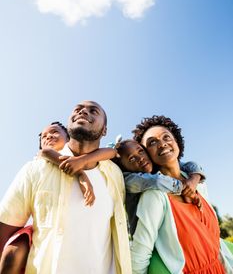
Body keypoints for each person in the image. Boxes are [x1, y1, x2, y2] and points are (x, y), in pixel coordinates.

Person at [0, 101, 131, 274]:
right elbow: (6, 230)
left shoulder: (115, 174)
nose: (83, 111)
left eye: (93, 110)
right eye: (77, 109)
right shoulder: (34, 169)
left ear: (104, 130)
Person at [130, 115, 233, 274]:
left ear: (177, 142)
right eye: (152, 142)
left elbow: (213, 242)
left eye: (166, 137)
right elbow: (139, 255)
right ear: (146, 154)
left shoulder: (199, 184)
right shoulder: (154, 195)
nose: (162, 143)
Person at [113, 139, 204, 237]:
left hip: (165, 232)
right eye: (131, 159)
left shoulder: (152, 164)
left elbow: (189, 165)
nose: (140, 158)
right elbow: (156, 181)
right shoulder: (129, 180)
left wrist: (193, 180)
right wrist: (184, 189)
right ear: (123, 167)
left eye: (140, 151)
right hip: (144, 238)